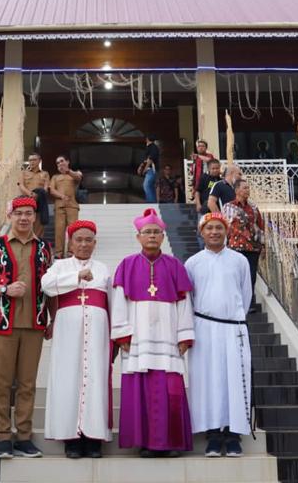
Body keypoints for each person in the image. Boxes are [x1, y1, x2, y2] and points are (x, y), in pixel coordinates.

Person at [111, 209, 194, 458]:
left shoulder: (175, 266)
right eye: (147, 232)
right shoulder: (126, 264)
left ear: (163, 236)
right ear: (138, 237)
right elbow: (119, 302)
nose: (152, 236)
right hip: (138, 340)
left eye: (156, 232)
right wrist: (123, 335)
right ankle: (145, 442)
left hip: (169, 339)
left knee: (171, 391)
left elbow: (184, 302)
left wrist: (184, 335)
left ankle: (171, 443)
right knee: (141, 391)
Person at [0, 197, 54, 459]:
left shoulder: (45, 248)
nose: (23, 218)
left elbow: (51, 288)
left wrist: (51, 318)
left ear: (35, 217)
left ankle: (23, 437)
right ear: (10, 216)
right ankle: (2, 437)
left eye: (28, 213)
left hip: (34, 323)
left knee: (28, 384)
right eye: (18, 213)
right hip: (3, 323)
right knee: (2, 382)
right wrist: (4, 289)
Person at [40, 220, 112, 459]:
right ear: (70, 242)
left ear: (95, 243)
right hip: (67, 331)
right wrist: (77, 275)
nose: (83, 244)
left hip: (98, 332)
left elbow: (112, 300)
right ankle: (71, 437)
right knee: (67, 378)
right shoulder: (60, 266)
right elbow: (46, 286)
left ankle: (93, 438)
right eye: (79, 239)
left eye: (88, 240)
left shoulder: (104, 268)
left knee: (95, 379)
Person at [185, 213, 254, 457]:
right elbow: (189, 299)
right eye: (209, 228)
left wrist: (233, 319)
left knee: (234, 379)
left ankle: (233, 434)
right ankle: (212, 434)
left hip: (233, 327)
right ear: (201, 232)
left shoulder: (239, 261)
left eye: (218, 228)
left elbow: (245, 294)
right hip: (204, 327)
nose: (214, 232)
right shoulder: (192, 263)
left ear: (226, 231)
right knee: (207, 380)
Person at [222, 179, 264, 313]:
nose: (247, 190)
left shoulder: (253, 207)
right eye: (244, 188)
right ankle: (235, 301)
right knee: (235, 275)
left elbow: (260, 227)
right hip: (235, 246)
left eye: (248, 188)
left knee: (251, 275)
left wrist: (263, 245)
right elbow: (224, 226)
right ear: (237, 190)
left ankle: (249, 303)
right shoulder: (228, 207)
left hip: (253, 247)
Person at [49, 155, 83, 258]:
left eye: (62, 161)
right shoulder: (55, 177)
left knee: (72, 230)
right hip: (59, 206)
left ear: (67, 162)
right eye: (58, 163)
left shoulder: (75, 174)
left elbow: (78, 178)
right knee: (59, 230)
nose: (60, 164)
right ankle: (59, 253)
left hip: (72, 206)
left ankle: (71, 252)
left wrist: (68, 171)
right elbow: (52, 190)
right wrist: (61, 196)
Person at [19, 153, 51, 237]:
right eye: (30, 160)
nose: (32, 162)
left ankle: (37, 246)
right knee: (26, 225)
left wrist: (39, 194)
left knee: (39, 228)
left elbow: (46, 187)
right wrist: (30, 193)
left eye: (34, 160)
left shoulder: (45, 174)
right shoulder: (24, 173)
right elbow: (21, 185)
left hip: (40, 203)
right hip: (27, 202)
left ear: (40, 161)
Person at [140, 135, 161, 203]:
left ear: (147, 139)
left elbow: (150, 159)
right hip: (150, 170)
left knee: (146, 185)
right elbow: (146, 160)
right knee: (150, 186)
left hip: (151, 169)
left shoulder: (153, 147)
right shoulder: (150, 147)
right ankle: (152, 202)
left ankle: (151, 203)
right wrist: (141, 167)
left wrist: (144, 169)